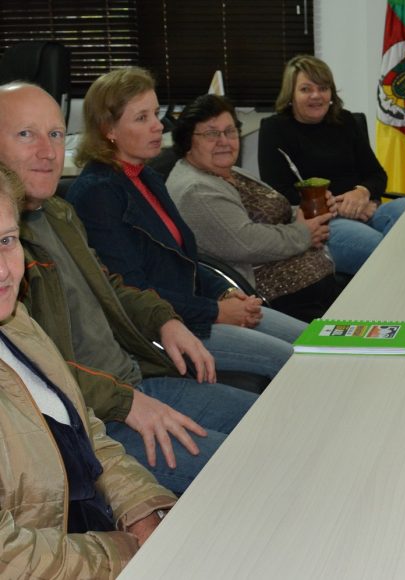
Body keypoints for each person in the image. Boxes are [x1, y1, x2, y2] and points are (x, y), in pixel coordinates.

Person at [0, 81, 256, 494]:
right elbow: (30, 371)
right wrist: (126, 402)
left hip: (134, 380)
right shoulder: (9, 250)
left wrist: (164, 320)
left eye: (56, 134)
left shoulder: (59, 213)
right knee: (249, 465)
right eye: (26, 134)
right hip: (93, 420)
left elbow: (110, 286)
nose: (48, 152)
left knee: (269, 420)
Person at [66, 67, 304, 377]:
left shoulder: (147, 176)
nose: (157, 126)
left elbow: (185, 259)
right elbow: (132, 292)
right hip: (164, 330)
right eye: (142, 118)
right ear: (108, 128)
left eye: (156, 114)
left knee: (309, 339)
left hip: (196, 308)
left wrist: (225, 292)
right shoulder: (98, 193)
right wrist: (216, 311)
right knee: (292, 360)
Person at [0, 162, 176, 578]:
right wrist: (124, 552)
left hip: (94, 543)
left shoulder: (17, 323)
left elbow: (86, 432)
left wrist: (141, 510)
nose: (3, 270)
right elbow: (9, 560)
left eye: (6, 240)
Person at [168, 94, 345, 322]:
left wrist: (311, 210)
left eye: (230, 131)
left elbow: (274, 212)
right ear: (187, 141)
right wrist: (304, 233)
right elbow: (247, 242)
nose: (224, 141)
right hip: (276, 298)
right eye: (212, 134)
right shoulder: (196, 191)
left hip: (314, 275)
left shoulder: (227, 171)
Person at [258, 54, 405, 275]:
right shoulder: (275, 129)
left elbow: (377, 175)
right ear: (290, 94)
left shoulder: (345, 121)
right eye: (306, 89)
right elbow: (278, 193)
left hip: (364, 210)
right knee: (379, 247)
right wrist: (338, 207)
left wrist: (362, 193)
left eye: (323, 88)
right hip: (322, 222)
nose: (316, 95)